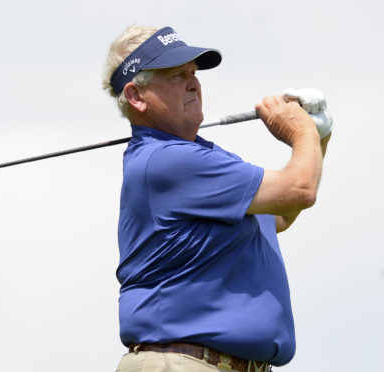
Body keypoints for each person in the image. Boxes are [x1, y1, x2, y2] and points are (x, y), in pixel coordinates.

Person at [102, 25, 332, 372]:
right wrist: (303, 132)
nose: (194, 83)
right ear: (136, 96)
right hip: (181, 363)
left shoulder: (201, 156)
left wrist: (318, 138)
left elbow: (282, 213)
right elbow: (300, 189)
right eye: (177, 75)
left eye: (193, 73)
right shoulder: (167, 161)